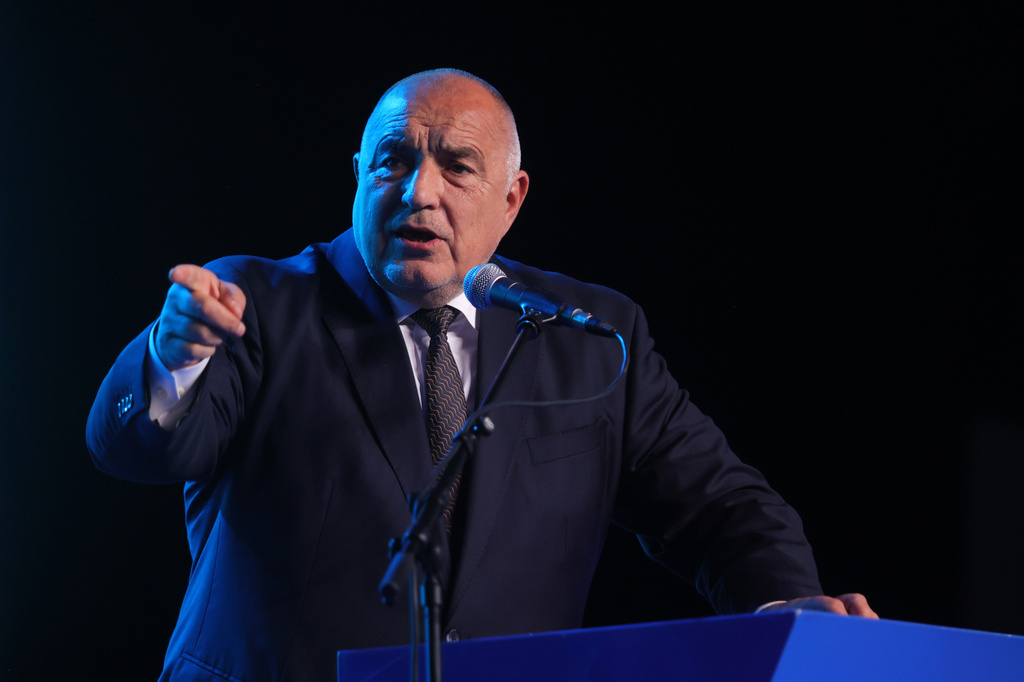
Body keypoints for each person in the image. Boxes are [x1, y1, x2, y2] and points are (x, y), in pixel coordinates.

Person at [87, 69, 876, 682]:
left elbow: (717, 506)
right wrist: (176, 356)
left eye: (456, 166)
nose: (418, 192)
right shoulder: (258, 302)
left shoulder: (588, 335)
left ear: (511, 199)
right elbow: (141, 449)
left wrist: (781, 607)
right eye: (393, 160)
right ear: (360, 174)